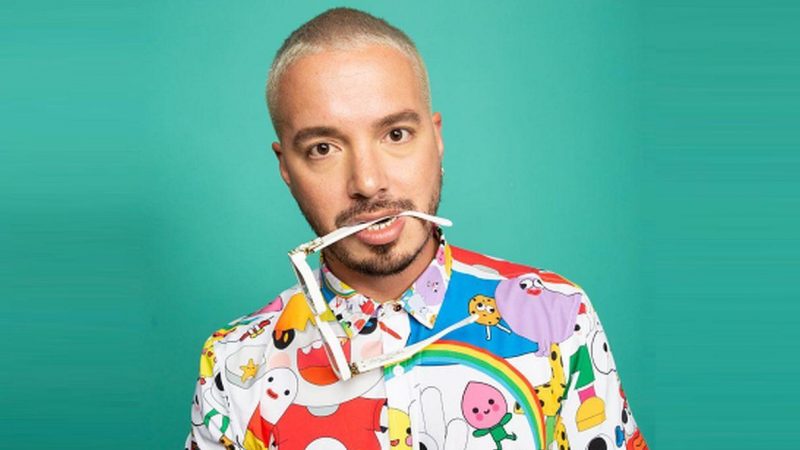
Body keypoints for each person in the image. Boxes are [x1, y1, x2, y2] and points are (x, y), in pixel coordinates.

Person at [187, 7, 647, 450]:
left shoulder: (557, 314)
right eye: (323, 148)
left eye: (396, 135)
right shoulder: (235, 364)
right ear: (286, 167)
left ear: (436, 138)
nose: (368, 182)